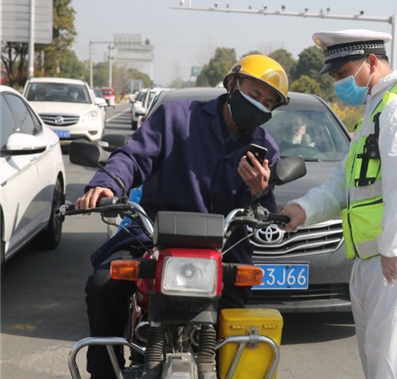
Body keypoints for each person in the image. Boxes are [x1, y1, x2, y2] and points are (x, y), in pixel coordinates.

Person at [75, 55, 290, 379]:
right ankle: (105, 373)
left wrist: (260, 190)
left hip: (224, 250)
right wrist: (107, 184)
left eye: (267, 102)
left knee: (237, 318)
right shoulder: (175, 117)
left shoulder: (265, 149)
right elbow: (132, 158)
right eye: (254, 94)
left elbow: (263, 212)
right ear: (232, 85)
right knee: (103, 284)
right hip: (151, 238)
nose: (259, 105)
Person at [279, 30, 397, 379]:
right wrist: (305, 209)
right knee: (380, 353)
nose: (339, 84)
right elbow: (348, 179)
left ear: (370, 61)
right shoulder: (376, 106)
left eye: (342, 74)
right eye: (335, 77)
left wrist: (395, 248)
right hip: (378, 250)